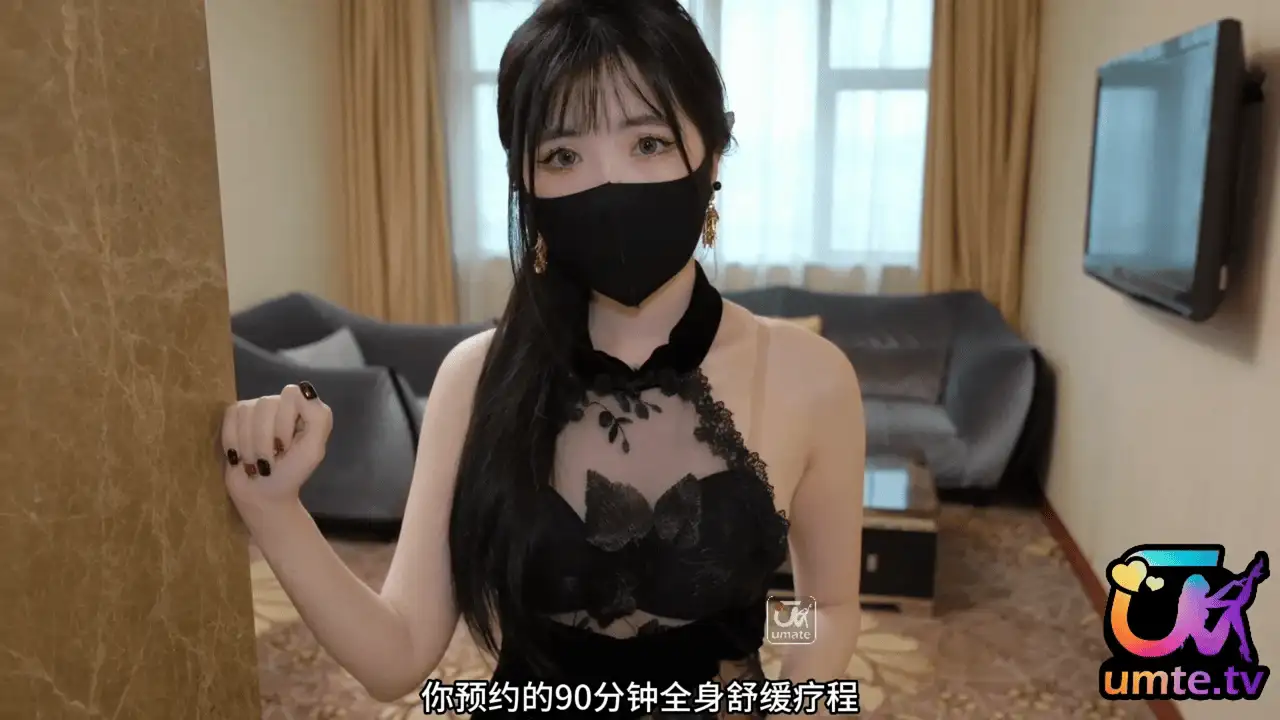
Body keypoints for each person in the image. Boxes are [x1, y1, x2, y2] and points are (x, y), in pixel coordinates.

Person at [219, 1, 866, 716]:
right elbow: (395, 656)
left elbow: (826, 605)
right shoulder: (476, 378)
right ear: (524, 182)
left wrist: (793, 690)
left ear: (713, 153)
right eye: (563, 155)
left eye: (648, 142)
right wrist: (274, 508)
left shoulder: (812, 377)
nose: (608, 183)